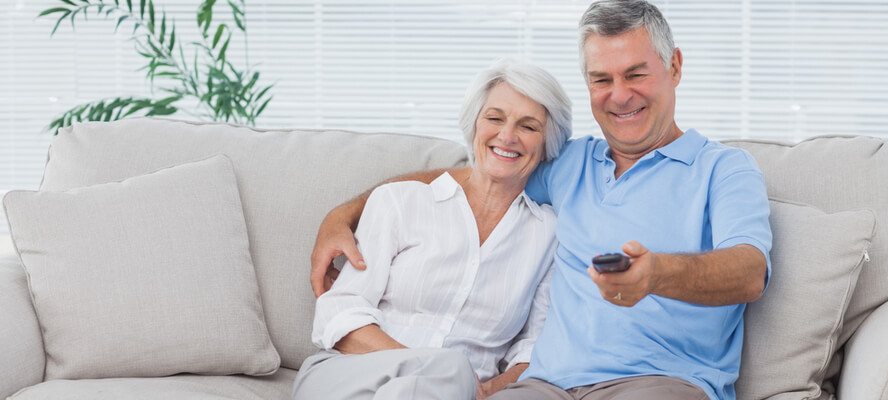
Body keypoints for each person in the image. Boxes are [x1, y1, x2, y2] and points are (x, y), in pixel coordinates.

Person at [310, 1, 772, 399]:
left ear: (673, 67)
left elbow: (750, 272)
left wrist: (658, 275)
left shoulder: (723, 169)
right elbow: (481, 171)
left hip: (657, 381)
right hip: (544, 386)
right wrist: (346, 213)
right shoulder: (569, 163)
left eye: (635, 74)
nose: (619, 95)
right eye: (601, 79)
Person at [292, 58, 572, 400]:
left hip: (457, 392)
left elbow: (535, 346)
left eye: (528, 126)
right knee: (450, 368)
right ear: (473, 126)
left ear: (548, 143)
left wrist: (490, 389)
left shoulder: (548, 235)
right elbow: (341, 315)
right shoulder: (401, 201)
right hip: (350, 374)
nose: (507, 136)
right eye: (495, 118)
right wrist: (434, 368)